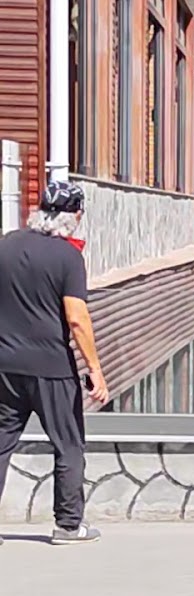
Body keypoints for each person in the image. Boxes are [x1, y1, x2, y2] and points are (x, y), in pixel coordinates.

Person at [0, 181, 107, 546]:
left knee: (0, 443)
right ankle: (68, 525)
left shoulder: (7, 245)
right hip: (53, 368)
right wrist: (95, 369)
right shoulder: (68, 258)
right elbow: (77, 319)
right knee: (68, 444)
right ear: (74, 215)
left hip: (5, 366)